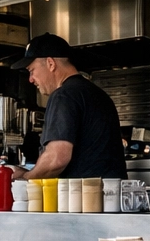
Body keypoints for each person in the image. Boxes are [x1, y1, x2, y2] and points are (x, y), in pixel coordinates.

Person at [8, 33, 127, 180]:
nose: (31, 79)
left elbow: (56, 159)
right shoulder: (98, 94)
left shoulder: (63, 96)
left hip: (86, 199)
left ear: (51, 64)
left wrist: (25, 177)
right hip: (111, 196)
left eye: (32, 71)